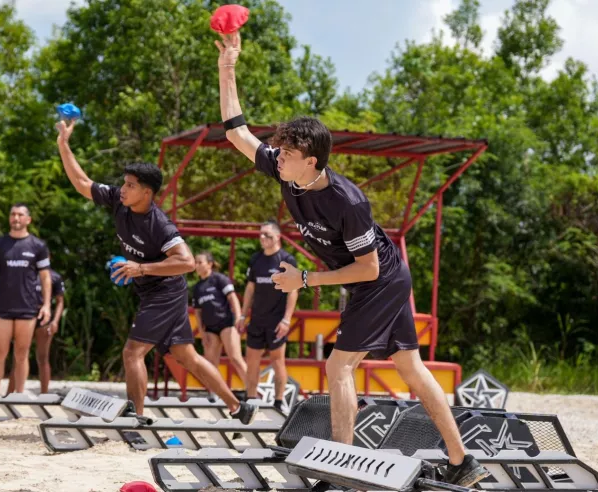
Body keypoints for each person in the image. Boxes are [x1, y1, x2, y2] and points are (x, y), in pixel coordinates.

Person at [215, 32, 489, 486]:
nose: (278, 158)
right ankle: (463, 462)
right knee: (410, 368)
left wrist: (305, 279)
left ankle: (340, 468)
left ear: (313, 161)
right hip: (375, 280)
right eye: (280, 152)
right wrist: (228, 65)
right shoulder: (286, 172)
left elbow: (368, 268)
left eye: (288, 154)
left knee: (339, 365)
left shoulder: (348, 201)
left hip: (380, 280)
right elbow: (236, 133)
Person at [56, 119, 256, 422]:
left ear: (146, 193)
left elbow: (187, 262)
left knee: (132, 352)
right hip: (154, 292)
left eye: (130, 185)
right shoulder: (119, 202)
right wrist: (63, 144)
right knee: (187, 356)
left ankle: (135, 418)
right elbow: (82, 183)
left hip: (165, 292)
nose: (123, 189)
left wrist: (140, 268)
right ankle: (240, 408)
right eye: (124, 183)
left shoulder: (159, 225)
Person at [0, 203, 51, 395]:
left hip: (27, 307)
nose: (16, 218)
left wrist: (46, 305)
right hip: (2, 307)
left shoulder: (38, 246)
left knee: (21, 354)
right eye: (13, 214)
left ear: (28, 219)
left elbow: (45, 277)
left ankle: (18, 395)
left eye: (20, 214)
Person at [238, 221, 298, 411]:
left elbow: (293, 291)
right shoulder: (256, 259)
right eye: (261, 234)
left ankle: (278, 403)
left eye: (267, 235)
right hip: (257, 320)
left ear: (278, 237)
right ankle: (250, 402)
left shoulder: (286, 260)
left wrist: (286, 320)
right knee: (251, 362)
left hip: (277, 321)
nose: (262, 238)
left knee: (277, 362)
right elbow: (250, 289)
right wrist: (242, 315)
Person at [6, 263, 66, 394]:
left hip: (43, 318)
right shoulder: (26, 274)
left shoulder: (54, 277)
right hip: (26, 316)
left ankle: (44, 394)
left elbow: (60, 301)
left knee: (43, 358)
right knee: (18, 357)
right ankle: (9, 395)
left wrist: (55, 321)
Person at [191, 251, 247, 390]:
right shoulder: (197, 287)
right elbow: (197, 312)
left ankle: (253, 392)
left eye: (200, 262)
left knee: (236, 359)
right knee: (210, 364)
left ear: (209, 264)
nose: (197, 265)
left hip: (227, 324)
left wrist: (239, 317)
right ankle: (215, 394)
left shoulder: (220, 279)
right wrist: (202, 333)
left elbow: (233, 298)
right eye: (195, 262)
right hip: (210, 328)